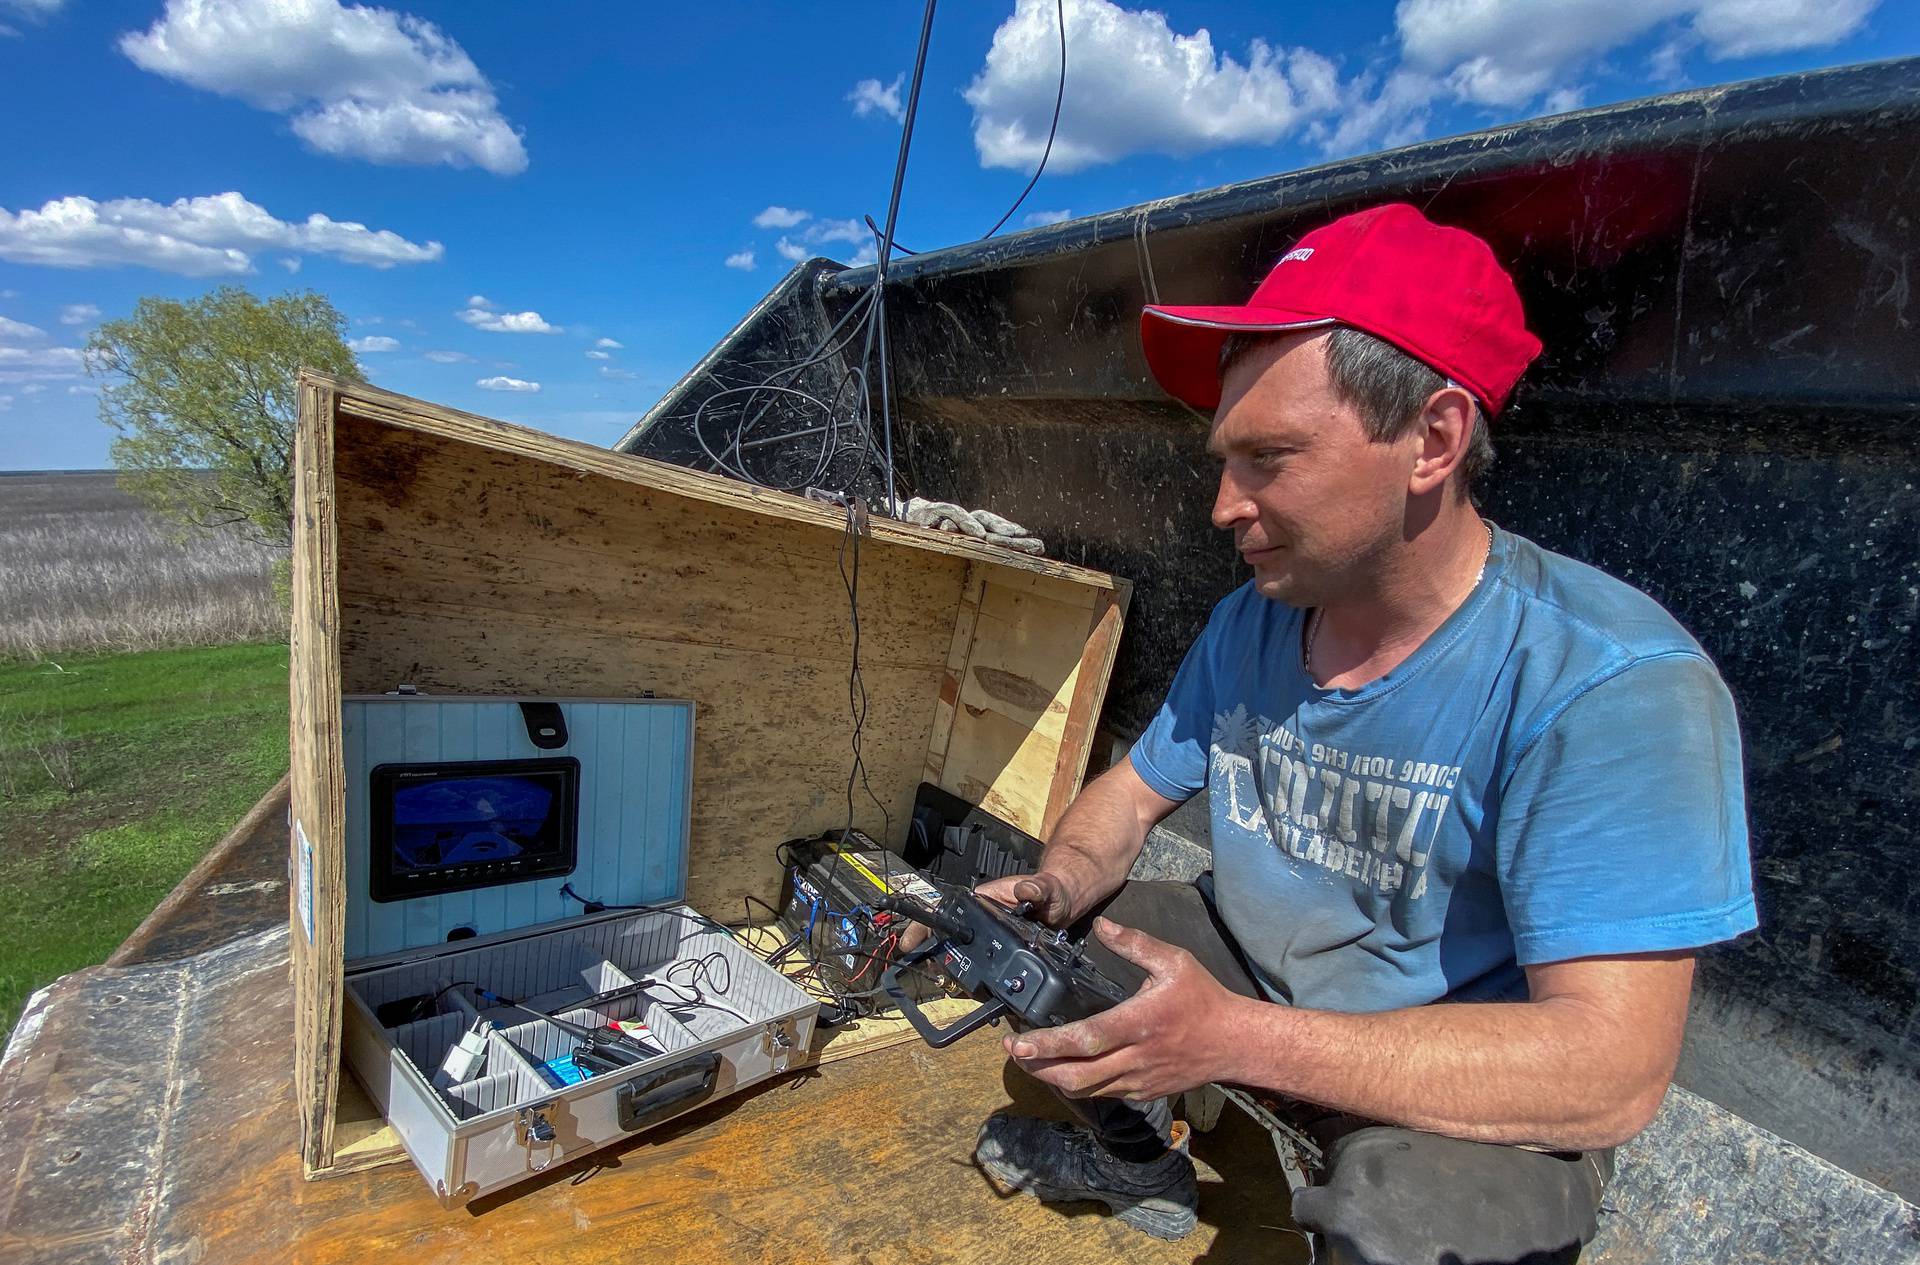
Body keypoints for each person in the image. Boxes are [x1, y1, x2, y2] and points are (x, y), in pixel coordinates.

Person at [964, 203, 1758, 1263]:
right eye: (1222, 460)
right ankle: (1136, 1165)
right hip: (1259, 980)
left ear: (1432, 439)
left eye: (1269, 457)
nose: (1221, 506)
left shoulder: (1610, 683)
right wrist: (1056, 883)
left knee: (1400, 1227)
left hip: (1447, 1075)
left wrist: (1241, 1038)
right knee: (1051, 965)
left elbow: (1611, 1070)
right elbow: (1130, 796)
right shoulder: (1256, 615)